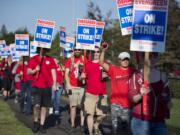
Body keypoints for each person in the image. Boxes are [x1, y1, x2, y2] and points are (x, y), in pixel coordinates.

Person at [128, 53, 171, 135]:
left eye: (154, 56)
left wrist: (168, 103)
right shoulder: (137, 75)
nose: (152, 59)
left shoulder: (163, 76)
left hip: (159, 121)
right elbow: (132, 98)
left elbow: (167, 97)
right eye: (149, 56)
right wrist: (141, 94)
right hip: (141, 120)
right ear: (144, 58)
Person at [99, 43, 136, 134]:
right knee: (116, 129)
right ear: (119, 60)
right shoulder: (114, 69)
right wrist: (103, 51)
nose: (125, 61)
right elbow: (101, 63)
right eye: (123, 59)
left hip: (129, 106)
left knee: (128, 130)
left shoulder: (133, 71)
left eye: (127, 59)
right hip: (116, 104)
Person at [28, 47, 56, 133]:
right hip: (36, 86)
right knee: (36, 106)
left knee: (44, 107)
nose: (43, 50)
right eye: (41, 49)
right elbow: (28, 71)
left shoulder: (50, 59)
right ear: (38, 49)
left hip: (47, 87)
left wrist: (54, 84)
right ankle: (36, 122)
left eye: (45, 49)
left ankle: (42, 125)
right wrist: (34, 70)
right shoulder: (34, 59)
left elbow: (53, 72)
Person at [81, 46, 108, 135]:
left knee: (103, 115)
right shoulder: (87, 64)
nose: (96, 53)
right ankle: (90, 133)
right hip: (90, 93)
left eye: (97, 52)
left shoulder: (104, 63)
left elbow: (111, 75)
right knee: (90, 114)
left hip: (102, 94)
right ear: (91, 53)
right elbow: (82, 79)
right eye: (94, 52)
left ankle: (96, 125)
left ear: (100, 53)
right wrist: (82, 77)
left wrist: (107, 76)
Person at [64, 47, 85, 131]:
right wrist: (68, 84)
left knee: (83, 106)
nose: (77, 51)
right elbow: (66, 73)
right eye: (75, 49)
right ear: (73, 50)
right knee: (73, 106)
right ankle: (72, 125)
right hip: (72, 86)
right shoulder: (70, 60)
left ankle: (82, 124)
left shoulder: (84, 59)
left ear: (81, 51)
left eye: (79, 49)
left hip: (82, 86)